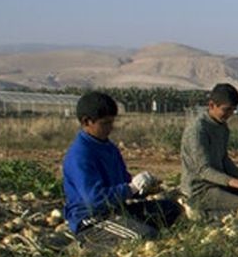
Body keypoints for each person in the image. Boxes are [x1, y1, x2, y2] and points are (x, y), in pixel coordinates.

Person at [62, 91, 182, 245]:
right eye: (105, 123)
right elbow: (96, 199)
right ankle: (86, 244)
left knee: (171, 209)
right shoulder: (80, 155)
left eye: (112, 122)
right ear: (86, 122)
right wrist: (131, 188)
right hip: (92, 219)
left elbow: (123, 182)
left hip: (118, 210)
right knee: (143, 238)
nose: (110, 128)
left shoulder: (108, 147)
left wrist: (144, 188)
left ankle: (128, 229)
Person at [181, 83, 238, 217]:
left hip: (219, 183)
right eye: (226, 110)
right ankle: (199, 213)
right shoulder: (197, 131)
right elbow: (204, 170)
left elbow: (224, 158)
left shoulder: (222, 126)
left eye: (233, 110)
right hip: (200, 190)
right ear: (211, 106)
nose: (230, 114)